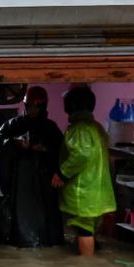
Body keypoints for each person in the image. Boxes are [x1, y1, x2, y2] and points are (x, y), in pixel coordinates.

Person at [0, 86, 64, 247]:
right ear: (25, 105)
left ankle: (46, 242)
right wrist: (14, 143)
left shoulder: (51, 128)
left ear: (43, 106)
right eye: (30, 106)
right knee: (21, 217)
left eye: (37, 106)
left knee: (46, 221)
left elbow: (62, 151)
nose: (33, 110)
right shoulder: (13, 125)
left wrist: (47, 154)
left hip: (44, 181)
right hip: (19, 182)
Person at [53, 86, 116, 256]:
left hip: (84, 190)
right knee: (90, 227)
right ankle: (91, 264)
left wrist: (62, 173)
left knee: (84, 229)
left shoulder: (78, 129)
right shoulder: (97, 127)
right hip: (99, 190)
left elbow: (81, 154)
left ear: (71, 106)